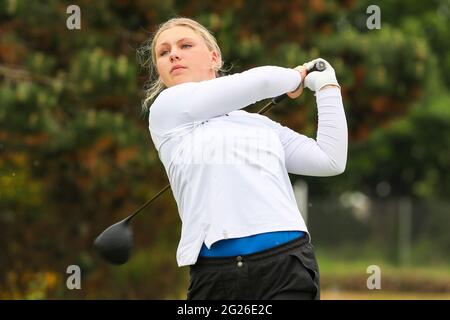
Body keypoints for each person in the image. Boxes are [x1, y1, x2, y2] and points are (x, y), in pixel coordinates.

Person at [142, 17, 347, 300]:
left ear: (214, 57)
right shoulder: (166, 110)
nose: (173, 54)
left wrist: (327, 86)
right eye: (163, 52)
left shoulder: (258, 125)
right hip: (215, 275)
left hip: (287, 264)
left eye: (185, 45)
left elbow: (330, 160)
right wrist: (296, 77)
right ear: (160, 70)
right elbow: (261, 82)